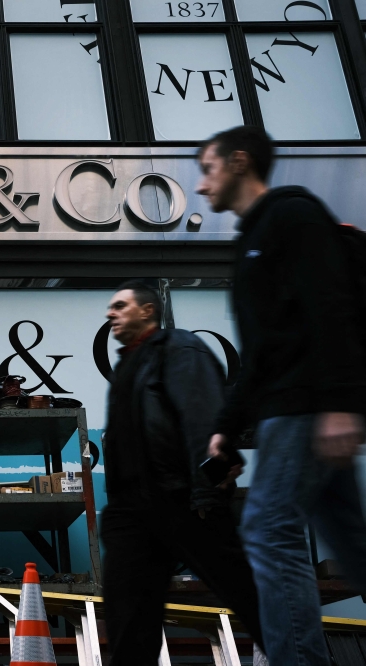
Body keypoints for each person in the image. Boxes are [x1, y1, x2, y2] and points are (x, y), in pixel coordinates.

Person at [198, 125, 366, 666]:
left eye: (209, 169)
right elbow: (263, 350)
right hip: (289, 410)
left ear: (240, 162)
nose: (202, 186)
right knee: (353, 549)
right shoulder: (251, 240)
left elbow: (332, 309)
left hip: (306, 409)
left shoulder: (294, 217)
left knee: (270, 532)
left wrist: (341, 402)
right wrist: (227, 425)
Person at [101, 281, 264, 665]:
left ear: (147, 311)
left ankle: (298, 657)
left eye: (120, 305)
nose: (111, 313)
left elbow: (201, 415)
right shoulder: (128, 366)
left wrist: (207, 487)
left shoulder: (179, 348)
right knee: (128, 620)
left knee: (247, 595)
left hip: (183, 498)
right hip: (133, 514)